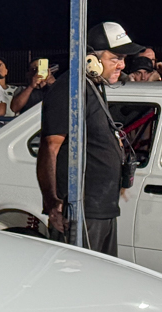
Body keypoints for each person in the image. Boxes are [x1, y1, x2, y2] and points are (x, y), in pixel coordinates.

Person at [38, 22, 141, 257]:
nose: (122, 65)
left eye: (124, 59)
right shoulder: (70, 89)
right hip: (82, 211)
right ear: (90, 60)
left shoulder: (93, 86)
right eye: (116, 58)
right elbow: (50, 147)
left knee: (101, 276)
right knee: (79, 275)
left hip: (101, 209)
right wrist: (52, 202)